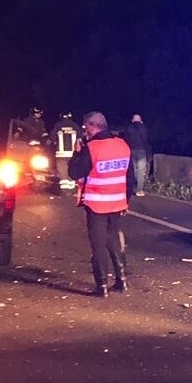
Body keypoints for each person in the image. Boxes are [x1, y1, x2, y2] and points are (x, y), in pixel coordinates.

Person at [68, 111, 133, 297]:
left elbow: (74, 172)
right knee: (113, 240)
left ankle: (102, 286)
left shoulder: (92, 148)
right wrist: (125, 201)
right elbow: (130, 179)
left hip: (97, 205)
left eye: (85, 127)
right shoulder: (123, 145)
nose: (84, 130)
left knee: (98, 245)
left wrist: (76, 152)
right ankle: (122, 281)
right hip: (117, 203)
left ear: (93, 125)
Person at [125, 113, 151, 197]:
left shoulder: (129, 128)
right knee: (141, 171)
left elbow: (126, 140)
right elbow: (148, 140)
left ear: (133, 120)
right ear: (141, 120)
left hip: (131, 151)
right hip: (142, 152)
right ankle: (139, 190)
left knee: (133, 170)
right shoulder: (145, 128)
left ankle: (133, 186)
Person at [49, 112, 80, 181]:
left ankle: (65, 189)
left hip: (61, 154)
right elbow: (80, 138)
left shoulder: (58, 125)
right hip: (73, 154)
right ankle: (72, 186)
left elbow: (52, 139)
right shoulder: (75, 126)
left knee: (63, 171)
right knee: (72, 170)